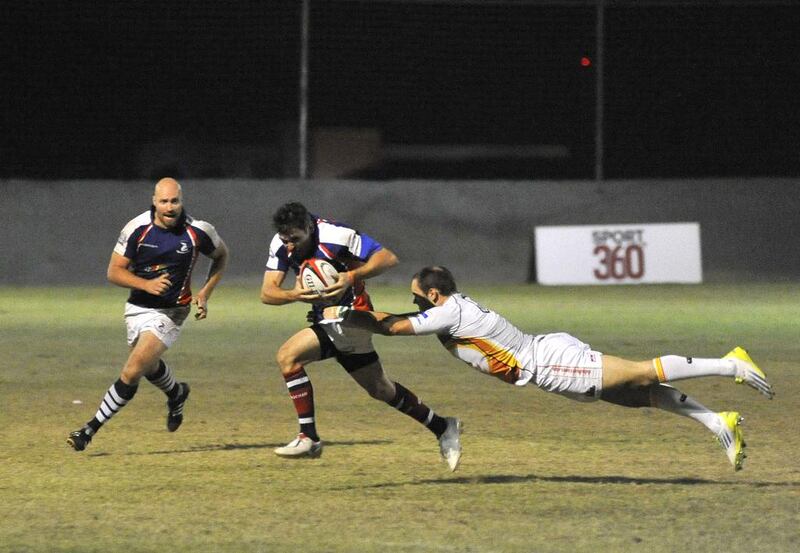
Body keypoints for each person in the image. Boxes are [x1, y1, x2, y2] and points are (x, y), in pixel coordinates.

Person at [322, 266, 775, 472]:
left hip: (549, 363)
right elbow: (396, 321)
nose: (417, 303)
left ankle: (728, 362)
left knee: (640, 374)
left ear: (435, 297)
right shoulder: (450, 308)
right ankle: (719, 422)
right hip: (546, 357)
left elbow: (394, 328)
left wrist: (350, 310)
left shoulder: (446, 313)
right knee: (636, 395)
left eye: (420, 297)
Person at [260, 202, 462, 470]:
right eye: (286, 240)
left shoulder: (336, 235)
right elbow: (267, 293)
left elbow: (388, 258)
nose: (290, 247)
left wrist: (350, 276)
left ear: (309, 227)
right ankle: (443, 426)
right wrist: (293, 295)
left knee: (290, 357)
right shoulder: (282, 243)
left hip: (352, 317)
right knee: (380, 388)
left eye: (295, 240)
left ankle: (308, 438)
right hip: (328, 319)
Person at [67, 178, 229, 451]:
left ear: (182, 201)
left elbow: (222, 256)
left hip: (172, 311)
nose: (170, 207)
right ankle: (177, 393)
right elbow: (114, 272)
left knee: (132, 370)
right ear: (154, 201)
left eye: (174, 201)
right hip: (137, 307)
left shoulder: (199, 231)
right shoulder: (136, 228)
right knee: (147, 365)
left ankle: (88, 429)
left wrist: (205, 293)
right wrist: (146, 285)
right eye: (164, 201)